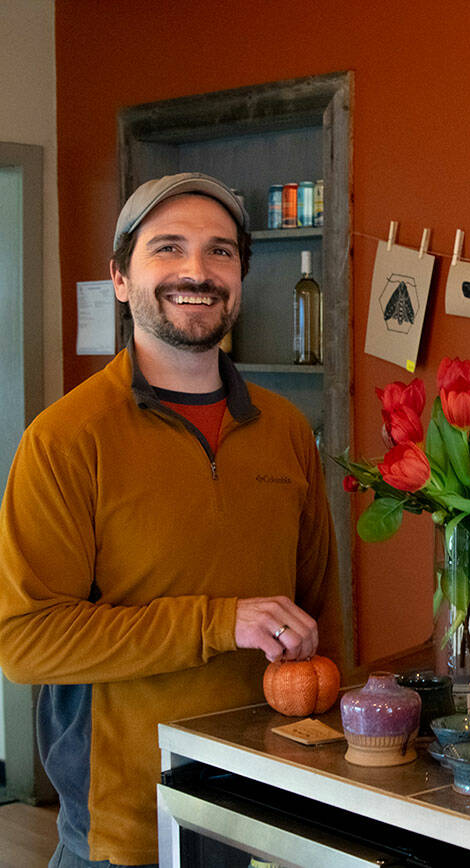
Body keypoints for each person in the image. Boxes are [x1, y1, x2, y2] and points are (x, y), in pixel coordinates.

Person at [0, 172, 339, 867]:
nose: (197, 271)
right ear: (121, 277)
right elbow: (26, 642)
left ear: (241, 277)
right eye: (168, 248)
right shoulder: (65, 439)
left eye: (220, 252)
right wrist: (219, 621)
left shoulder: (285, 431)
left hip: (270, 806)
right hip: (129, 828)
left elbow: (320, 611)